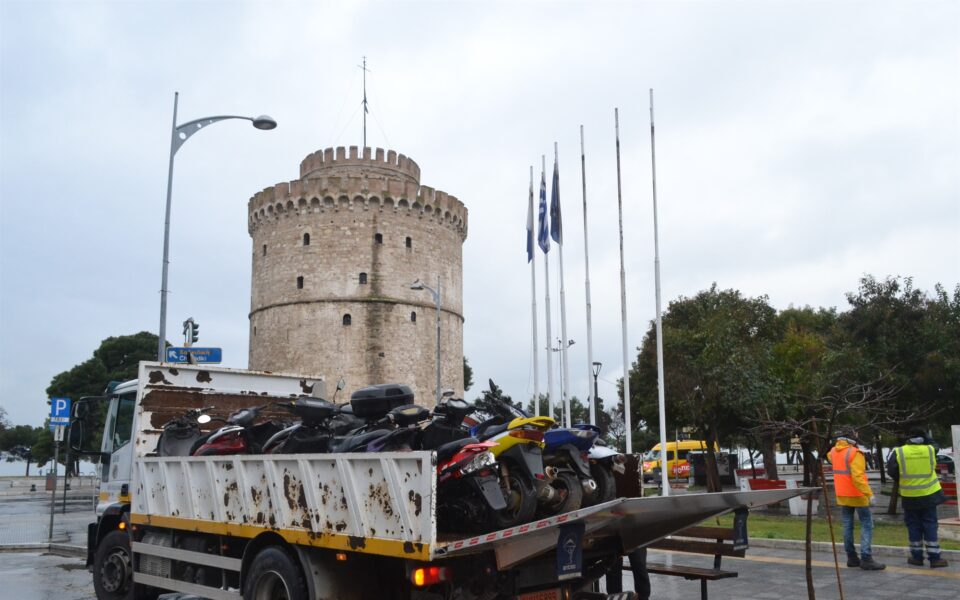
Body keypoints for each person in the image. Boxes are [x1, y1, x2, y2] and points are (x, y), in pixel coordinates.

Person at [886, 427, 948, 568]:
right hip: (929, 495)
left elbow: (892, 471)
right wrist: (926, 437)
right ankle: (935, 558)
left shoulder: (899, 451)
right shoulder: (930, 449)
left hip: (909, 496)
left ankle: (917, 557)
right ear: (923, 438)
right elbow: (935, 444)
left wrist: (903, 480)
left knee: (913, 525)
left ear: (908, 438)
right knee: (930, 524)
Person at [829, 428, 885, 570]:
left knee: (848, 525)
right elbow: (858, 477)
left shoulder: (833, 452)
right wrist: (869, 494)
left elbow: (831, 458)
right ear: (852, 437)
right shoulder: (855, 453)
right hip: (858, 495)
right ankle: (866, 558)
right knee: (866, 525)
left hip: (843, 495)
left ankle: (852, 558)